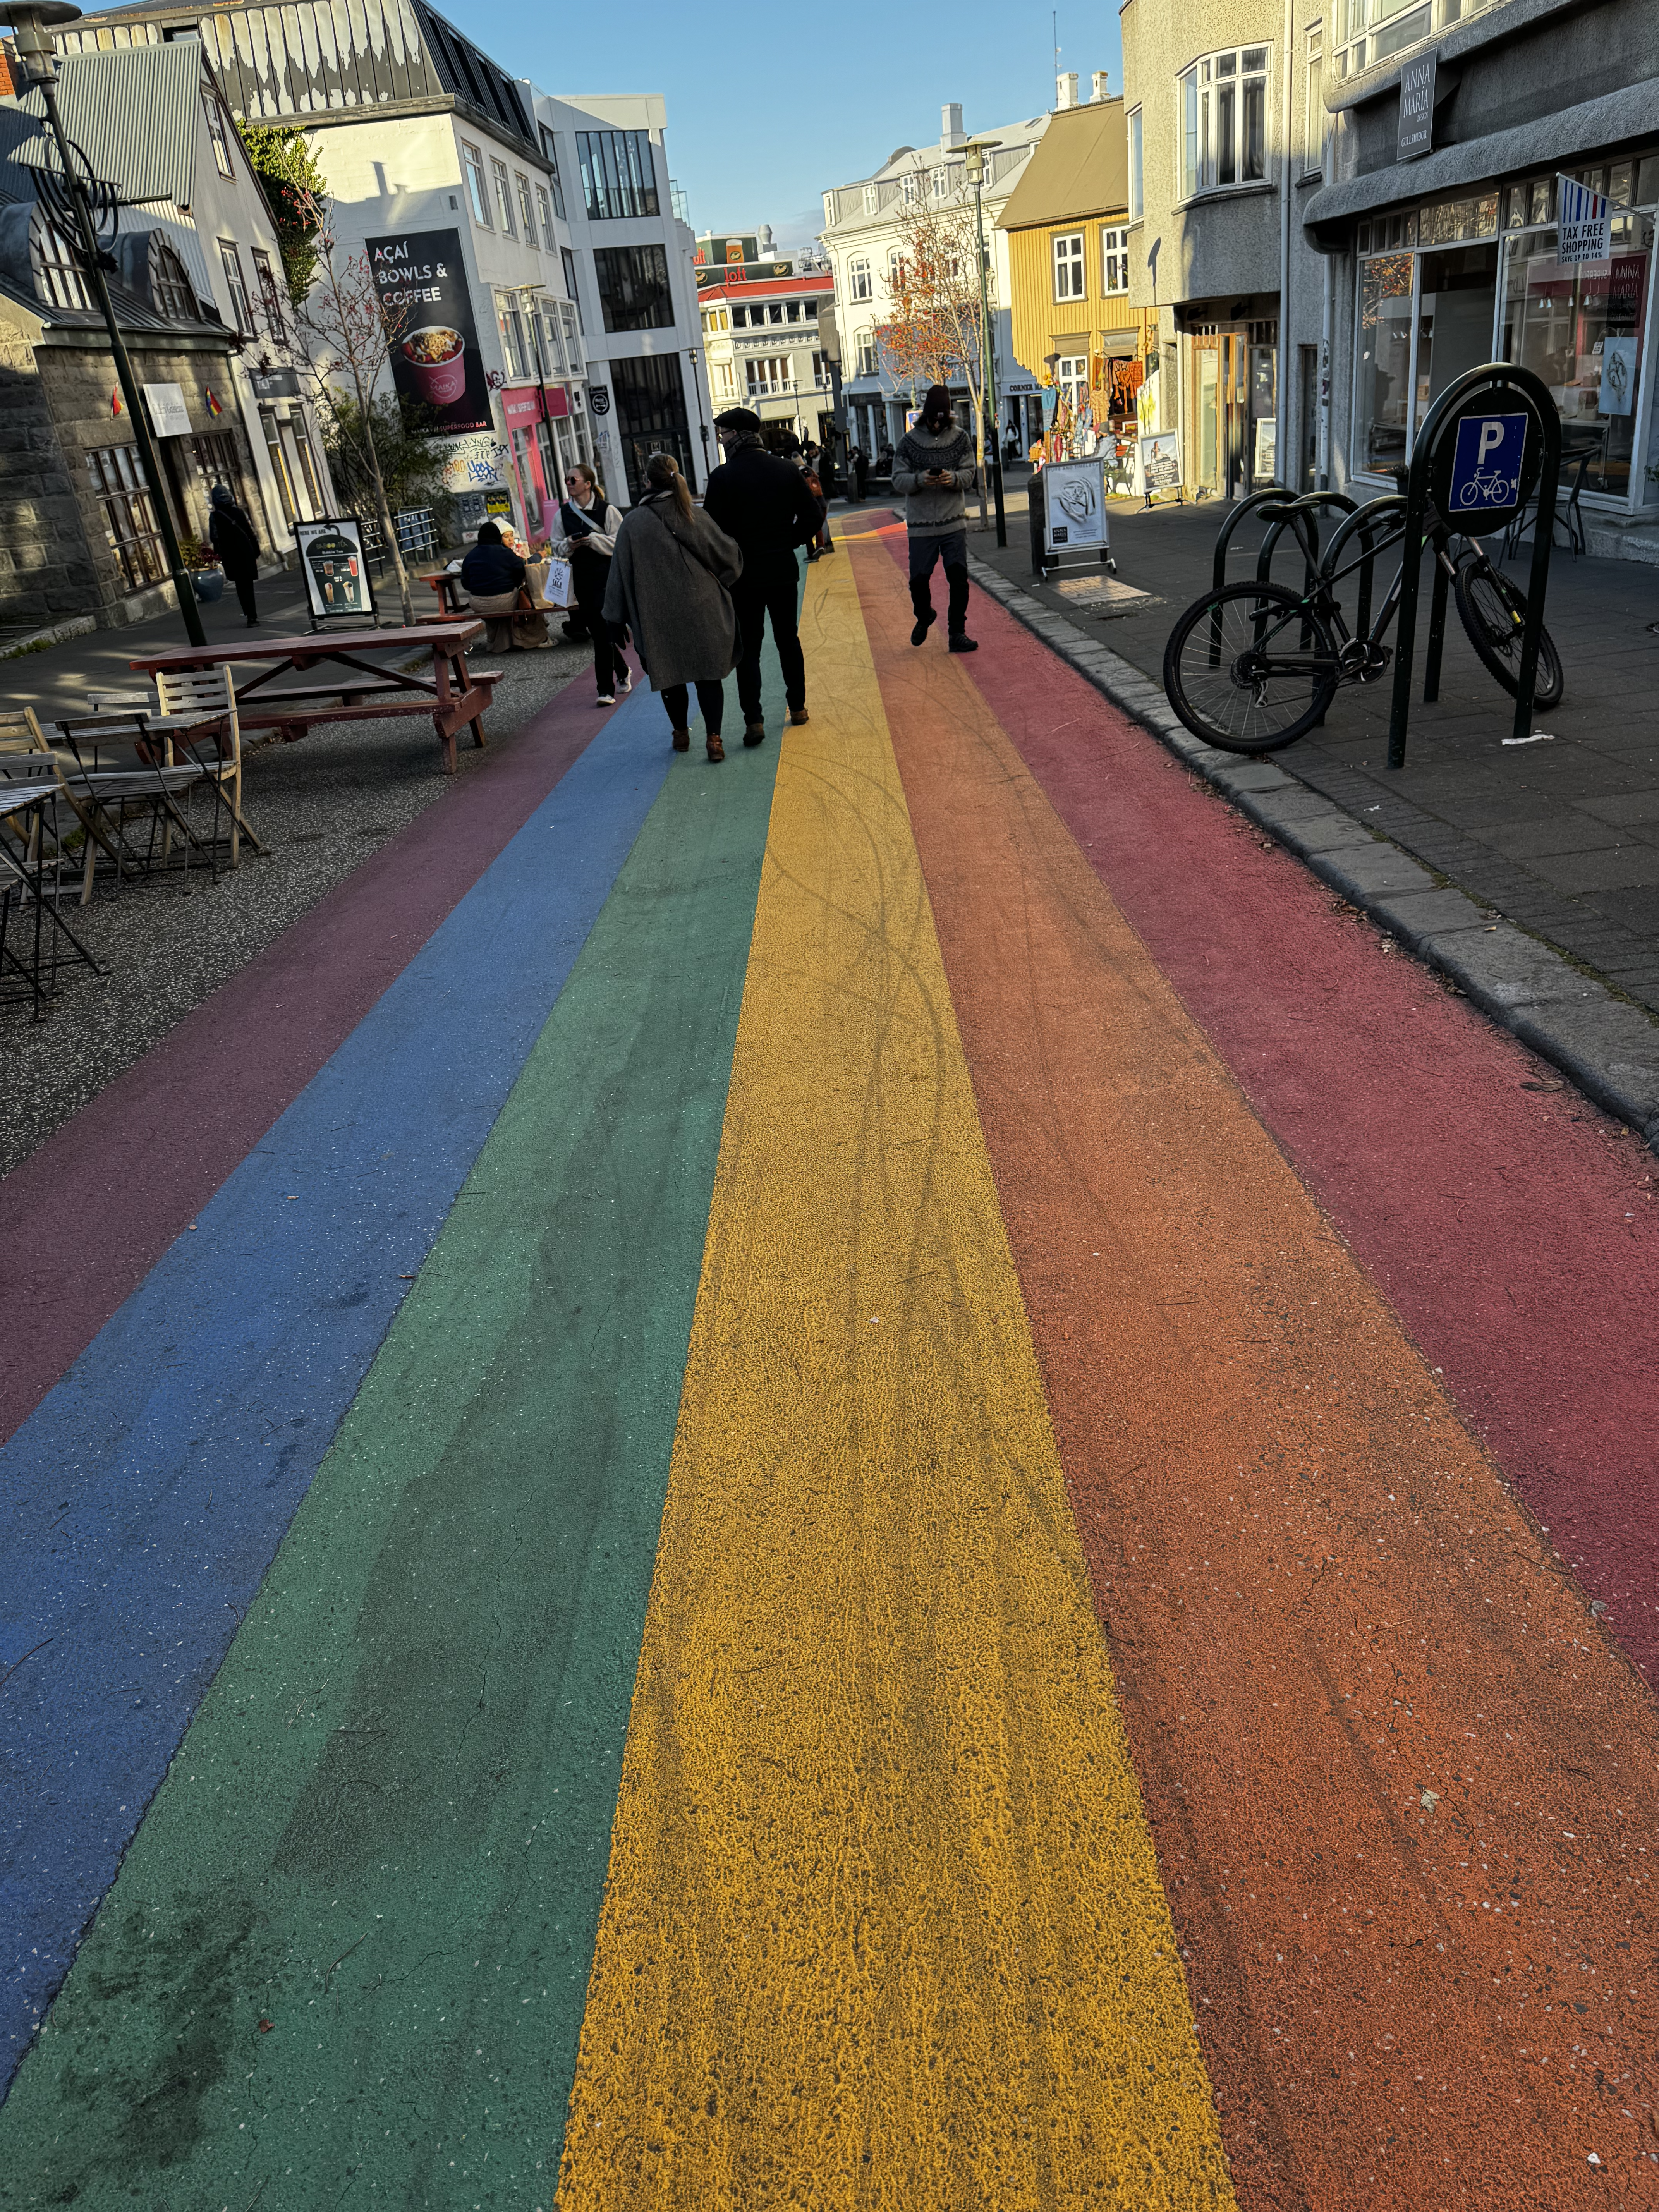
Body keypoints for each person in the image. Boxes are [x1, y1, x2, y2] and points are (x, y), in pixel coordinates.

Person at [603, 451, 742, 763]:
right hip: (703, 608)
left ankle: (680, 734)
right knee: (709, 677)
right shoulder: (694, 514)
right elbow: (728, 557)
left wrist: (614, 617)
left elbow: (619, 575)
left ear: (646, 481)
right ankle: (715, 739)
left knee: (671, 674)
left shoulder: (633, 523)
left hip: (657, 616)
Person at [702, 406, 820, 745]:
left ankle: (754, 721)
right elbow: (813, 516)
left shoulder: (723, 477)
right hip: (783, 570)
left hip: (744, 576)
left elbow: (711, 531)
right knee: (788, 641)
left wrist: (729, 559)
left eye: (723, 434)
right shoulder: (785, 470)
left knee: (749, 650)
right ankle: (797, 707)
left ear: (737, 436)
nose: (722, 440)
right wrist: (790, 541)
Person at [892, 382, 979, 653]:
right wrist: (920, 480)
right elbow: (897, 479)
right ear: (925, 416)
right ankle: (924, 615)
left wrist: (952, 478)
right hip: (921, 525)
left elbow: (969, 473)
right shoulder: (909, 442)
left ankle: (957, 634)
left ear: (948, 416)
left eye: (941, 421)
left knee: (958, 577)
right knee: (918, 580)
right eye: (932, 420)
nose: (936, 426)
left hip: (953, 521)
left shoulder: (961, 438)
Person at [555, 463, 632, 706]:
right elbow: (555, 545)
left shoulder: (608, 511)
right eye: (567, 480)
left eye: (573, 480)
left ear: (588, 484)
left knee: (601, 634)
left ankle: (605, 690)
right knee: (600, 632)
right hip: (583, 580)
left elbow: (621, 542)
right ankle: (622, 671)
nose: (569, 484)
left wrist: (595, 541)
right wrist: (569, 544)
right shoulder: (563, 514)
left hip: (608, 579)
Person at [460, 521, 530, 654]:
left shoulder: (471, 556)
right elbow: (522, 571)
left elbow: (465, 583)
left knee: (496, 610)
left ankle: (498, 643)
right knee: (524, 594)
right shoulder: (505, 553)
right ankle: (528, 638)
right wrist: (513, 584)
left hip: (478, 603)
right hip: (504, 601)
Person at [207, 483, 262, 627]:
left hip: (230, 555)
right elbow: (251, 532)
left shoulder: (215, 517)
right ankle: (253, 616)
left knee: (240, 586)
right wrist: (256, 550)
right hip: (246, 552)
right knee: (248, 585)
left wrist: (218, 555)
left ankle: (250, 616)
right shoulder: (240, 512)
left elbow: (215, 538)